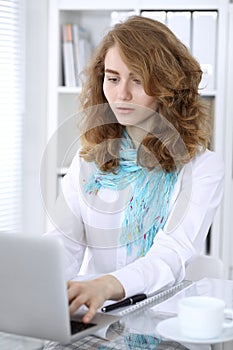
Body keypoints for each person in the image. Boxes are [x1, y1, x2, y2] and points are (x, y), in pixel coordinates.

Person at [45, 15, 224, 324]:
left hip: (164, 321)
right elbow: (64, 243)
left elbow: (170, 255)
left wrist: (109, 283)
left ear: (167, 85)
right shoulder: (88, 158)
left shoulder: (203, 166)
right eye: (113, 79)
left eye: (138, 80)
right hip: (96, 318)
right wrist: (44, 291)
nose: (122, 94)